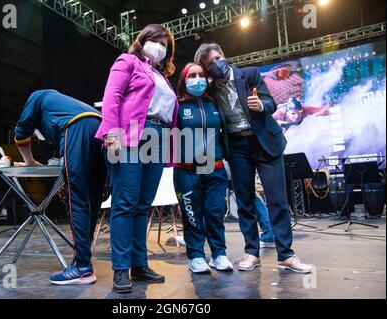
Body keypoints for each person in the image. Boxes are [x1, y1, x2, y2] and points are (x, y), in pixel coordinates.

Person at [194, 43, 312, 273]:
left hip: (264, 142)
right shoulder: (210, 91)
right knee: (245, 201)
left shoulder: (248, 75)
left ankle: (286, 255)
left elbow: (271, 102)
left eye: (218, 57)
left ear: (224, 56)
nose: (216, 63)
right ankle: (251, 253)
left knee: (277, 199)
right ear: (206, 69)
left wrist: (261, 105)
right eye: (210, 63)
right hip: (237, 147)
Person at [95, 24, 179, 293]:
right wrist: (111, 132)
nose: (160, 46)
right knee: (125, 203)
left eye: (165, 43)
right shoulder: (128, 61)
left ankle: (139, 265)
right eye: (155, 40)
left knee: (143, 205)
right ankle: (121, 268)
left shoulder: (162, 77)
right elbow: (113, 96)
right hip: (130, 135)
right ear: (142, 41)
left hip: (158, 138)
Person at [14, 89, 107, 285]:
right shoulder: (61, 106)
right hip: (101, 128)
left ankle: (82, 268)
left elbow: (21, 135)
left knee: (77, 199)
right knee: (91, 200)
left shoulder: (37, 96)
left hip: (77, 127)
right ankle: (82, 261)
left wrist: (29, 162)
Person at [174, 62, 233, 274]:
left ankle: (219, 254)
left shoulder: (214, 103)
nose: (197, 79)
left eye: (201, 75)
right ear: (184, 80)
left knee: (215, 213)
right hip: (187, 171)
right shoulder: (177, 106)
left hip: (215, 169)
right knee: (192, 215)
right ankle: (196, 256)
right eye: (192, 75)